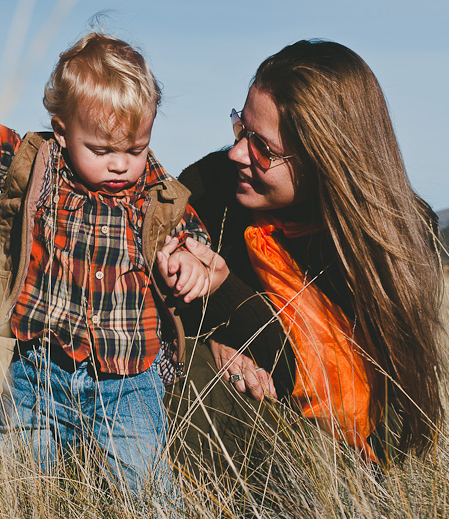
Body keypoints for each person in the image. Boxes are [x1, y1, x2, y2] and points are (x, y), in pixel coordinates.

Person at [0, 16, 228, 502]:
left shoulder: (159, 197)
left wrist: (190, 263)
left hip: (127, 383)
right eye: (102, 149)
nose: (121, 162)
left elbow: (192, 244)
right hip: (38, 371)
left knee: (146, 495)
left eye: (136, 148)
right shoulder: (37, 167)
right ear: (61, 131)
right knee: (9, 489)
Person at [167, 40, 445, 474]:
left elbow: (328, 366)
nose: (237, 153)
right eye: (241, 128)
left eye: (263, 148)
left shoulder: (394, 240)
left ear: (325, 160)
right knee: (190, 374)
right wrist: (209, 337)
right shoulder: (209, 189)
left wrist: (225, 298)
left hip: (356, 442)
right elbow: (156, 299)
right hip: (252, 408)